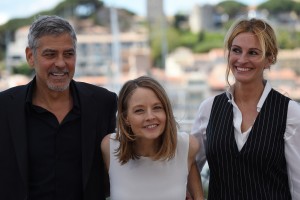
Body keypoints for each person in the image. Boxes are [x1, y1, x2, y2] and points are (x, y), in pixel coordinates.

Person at [0, 15, 117, 200]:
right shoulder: (4, 108)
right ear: (30, 57)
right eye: (50, 54)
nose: (61, 63)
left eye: (68, 54)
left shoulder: (104, 103)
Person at [191, 17, 300, 199]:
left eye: (253, 53)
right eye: (236, 50)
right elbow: (190, 163)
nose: (242, 59)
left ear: (269, 59)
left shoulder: (290, 112)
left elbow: (298, 184)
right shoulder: (208, 109)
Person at [101, 76, 204, 200]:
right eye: (139, 110)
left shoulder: (187, 146)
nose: (150, 116)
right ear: (125, 118)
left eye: (157, 108)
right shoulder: (109, 147)